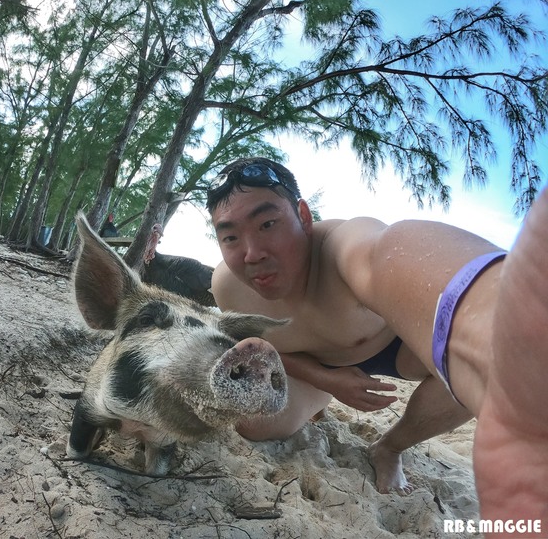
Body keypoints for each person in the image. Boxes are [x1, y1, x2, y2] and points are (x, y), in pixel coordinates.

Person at [207, 157, 547, 526]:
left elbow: (386, 252)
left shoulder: (343, 245)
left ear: (303, 215)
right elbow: (259, 346)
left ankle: (390, 447)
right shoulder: (228, 287)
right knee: (253, 425)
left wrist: (489, 315)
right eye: (230, 237)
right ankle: (320, 402)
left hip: (395, 350)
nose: (252, 253)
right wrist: (328, 380)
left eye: (268, 223)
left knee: (465, 374)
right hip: (314, 367)